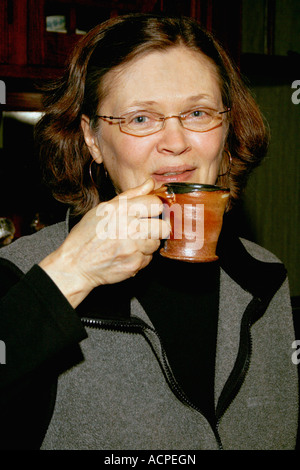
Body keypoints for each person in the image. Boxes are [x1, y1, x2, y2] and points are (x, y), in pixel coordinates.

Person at [0, 13, 298, 450]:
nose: (176, 142)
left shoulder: (265, 276)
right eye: (141, 118)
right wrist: (71, 275)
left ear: (227, 127)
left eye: (198, 112)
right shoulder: (19, 279)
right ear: (93, 140)